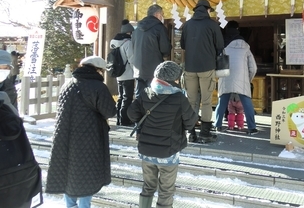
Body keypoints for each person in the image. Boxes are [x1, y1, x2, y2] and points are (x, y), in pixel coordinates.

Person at [46, 56, 116, 208]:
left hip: (64, 137)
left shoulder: (68, 84)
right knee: (86, 172)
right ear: (98, 70)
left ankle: (70, 205)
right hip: (89, 137)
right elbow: (110, 111)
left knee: (68, 172)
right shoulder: (98, 87)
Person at [127, 61, 197, 208]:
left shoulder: (145, 92)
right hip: (168, 152)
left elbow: (131, 112)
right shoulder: (179, 98)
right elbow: (190, 122)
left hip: (146, 151)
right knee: (166, 190)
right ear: (174, 79)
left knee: (148, 187)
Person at [180, 0, 224, 143]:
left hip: (190, 68)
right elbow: (220, 45)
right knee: (206, 101)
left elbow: (182, 45)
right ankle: (205, 134)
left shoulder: (187, 25)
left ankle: (191, 133)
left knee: (191, 101)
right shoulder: (212, 24)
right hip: (207, 66)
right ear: (207, 10)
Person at [215, 20, 258, 134]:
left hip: (226, 77)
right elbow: (253, 68)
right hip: (242, 79)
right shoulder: (246, 47)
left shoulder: (223, 46)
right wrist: (248, 80)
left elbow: (218, 64)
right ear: (238, 30)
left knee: (222, 102)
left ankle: (218, 125)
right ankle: (252, 128)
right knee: (247, 103)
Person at [132, 4, 172, 98]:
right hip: (154, 68)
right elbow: (165, 49)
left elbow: (133, 46)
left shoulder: (137, 29)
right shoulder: (159, 28)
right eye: (162, 14)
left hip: (138, 68)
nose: (163, 16)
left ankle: (139, 113)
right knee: (154, 96)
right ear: (157, 14)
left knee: (140, 97)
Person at [110, 19, 135, 126]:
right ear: (129, 32)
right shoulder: (127, 43)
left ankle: (119, 119)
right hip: (128, 74)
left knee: (121, 97)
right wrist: (136, 71)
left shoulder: (114, 42)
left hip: (118, 74)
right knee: (127, 98)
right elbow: (132, 59)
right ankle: (125, 120)